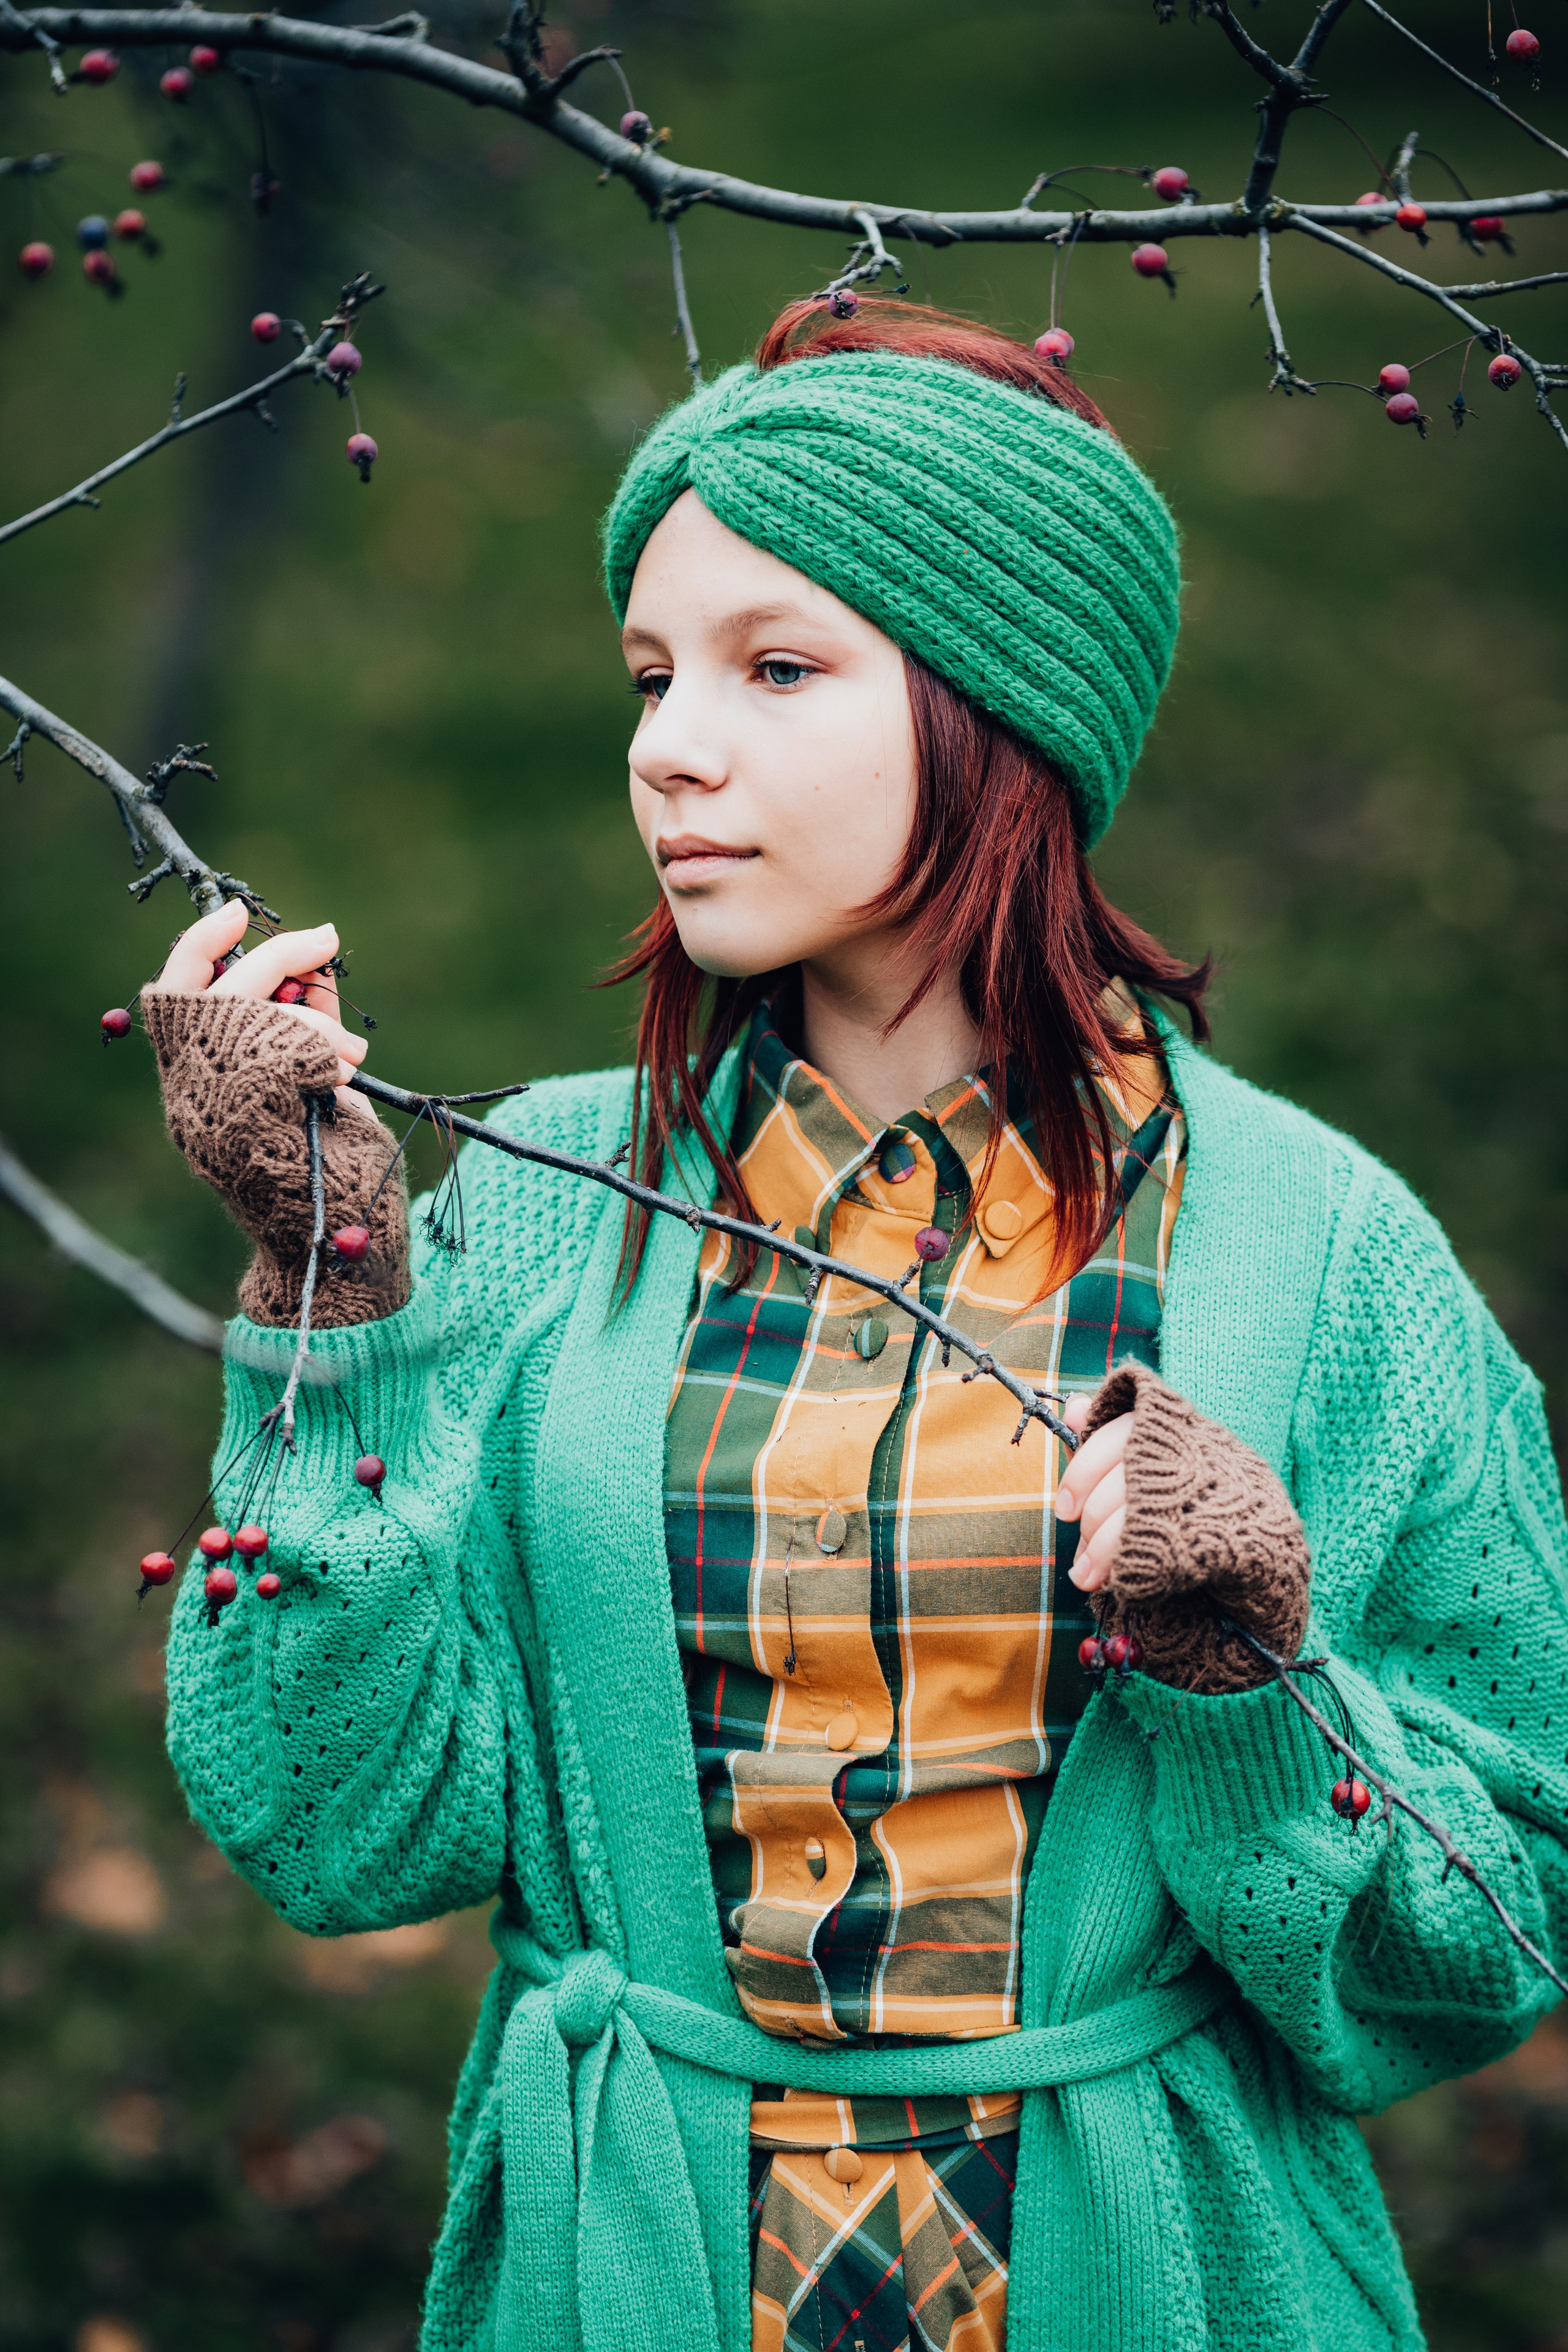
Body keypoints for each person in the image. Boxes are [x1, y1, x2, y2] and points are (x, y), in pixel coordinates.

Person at [143, 300, 1567, 2352]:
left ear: (1009, 711)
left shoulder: (1321, 1257)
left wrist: (1253, 1693)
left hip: (1160, 2278)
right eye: (650, 675)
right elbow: (336, 1825)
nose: (666, 745)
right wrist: (332, 1295)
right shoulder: (541, 1211)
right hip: (628, 2270)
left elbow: (1504, 1917)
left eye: (776, 669)